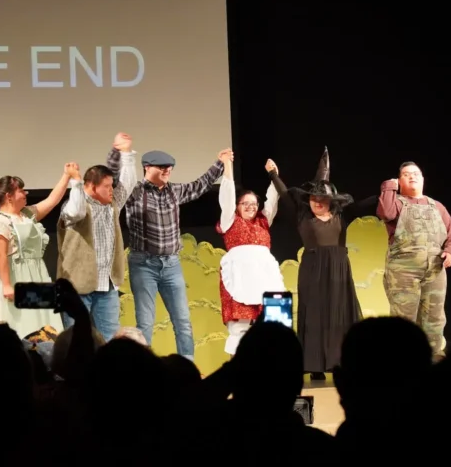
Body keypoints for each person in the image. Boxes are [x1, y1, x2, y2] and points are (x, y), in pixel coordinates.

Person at [269, 147, 377, 379]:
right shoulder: (303, 216)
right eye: (313, 198)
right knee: (315, 314)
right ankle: (315, 364)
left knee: (339, 314)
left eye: (322, 198)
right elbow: (286, 195)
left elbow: (366, 204)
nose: (317, 202)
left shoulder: (341, 215)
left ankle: (340, 362)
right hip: (313, 268)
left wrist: (386, 192)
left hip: (339, 269)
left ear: (331, 201)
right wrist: (273, 174)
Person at [125, 147, 232, 360]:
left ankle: (187, 370)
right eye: (162, 167)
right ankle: (141, 373)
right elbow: (120, 185)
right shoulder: (135, 192)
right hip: (143, 263)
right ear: (147, 167)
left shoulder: (174, 191)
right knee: (145, 322)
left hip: (171, 264)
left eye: (170, 167)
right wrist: (123, 154)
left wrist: (220, 163)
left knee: (183, 321)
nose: (168, 170)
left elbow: (200, 185)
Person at [56, 132, 138, 341]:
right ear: (91, 186)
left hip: (107, 285)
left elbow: (128, 184)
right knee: (75, 341)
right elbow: (76, 212)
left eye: (111, 186)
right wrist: (75, 182)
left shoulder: (111, 204)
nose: (112, 191)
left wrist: (127, 153)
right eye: (106, 187)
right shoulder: (74, 204)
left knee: (109, 340)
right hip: (77, 287)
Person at [376, 161, 451, 358]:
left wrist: (450, 252)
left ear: (422, 179)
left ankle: (434, 359)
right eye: (406, 174)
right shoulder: (396, 203)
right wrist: (388, 186)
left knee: (435, 318)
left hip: (435, 270)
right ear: (399, 180)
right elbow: (384, 212)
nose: (412, 176)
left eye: (415, 173)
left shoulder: (437, 206)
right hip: (403, 271)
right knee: (403, 320)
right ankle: (404, 362)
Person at [0, 164, 77, 338]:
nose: (25, 193)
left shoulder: (26, 215)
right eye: (21, 190)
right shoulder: (0, 221)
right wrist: (6, 285)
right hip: (14, 276)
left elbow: (52, 201)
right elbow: (1, 255)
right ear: (9, 196)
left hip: (35, 274)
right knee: (19, 324)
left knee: (42, 323)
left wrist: (66, 176)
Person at [216, 156, 285, 355]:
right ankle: (240, 370)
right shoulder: (230, 220)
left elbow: (273, 199)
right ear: (237, 206)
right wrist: (228, 167)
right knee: (241, 326)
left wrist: (274, 175)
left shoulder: (264, 221)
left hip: (265, 276)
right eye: (245, 203)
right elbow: (226, 196)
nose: (250, 207)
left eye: (254, 204)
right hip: (240, 277)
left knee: (274, 323)